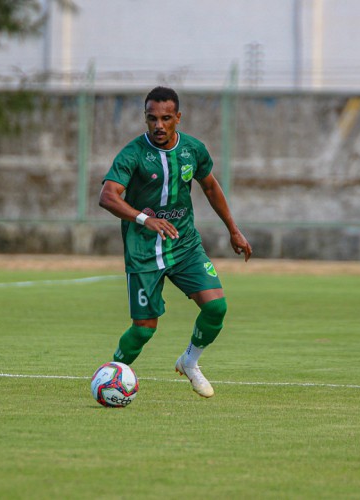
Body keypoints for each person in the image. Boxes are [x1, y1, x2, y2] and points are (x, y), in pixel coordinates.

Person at [99, 86, 252, 398]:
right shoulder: (133, 154)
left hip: (184, 246)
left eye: (166, 118)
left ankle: (190, 361)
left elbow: (210, 187)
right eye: (152, 118)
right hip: (143, 251)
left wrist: (233, 230)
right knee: (143, 329)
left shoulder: (193, 150)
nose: (158, 125)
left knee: (216, 308)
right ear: (145, 118)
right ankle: (108, 377)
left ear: (178, 118)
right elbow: (107, 196)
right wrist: (144, 219)